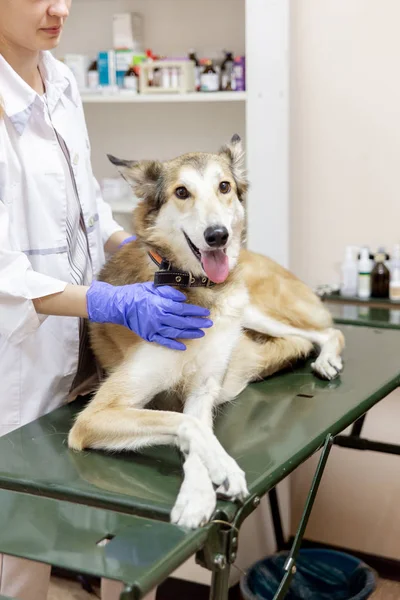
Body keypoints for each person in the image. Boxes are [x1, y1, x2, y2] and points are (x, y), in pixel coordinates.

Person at [0, 0, 213, 598]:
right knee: (19, 545)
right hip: (15, 361)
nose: (60, 8)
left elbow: (84, 200)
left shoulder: (61, 79)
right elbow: (4, 273)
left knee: (69, 527)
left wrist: (131, 245)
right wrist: (115, 302)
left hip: (76, 350)